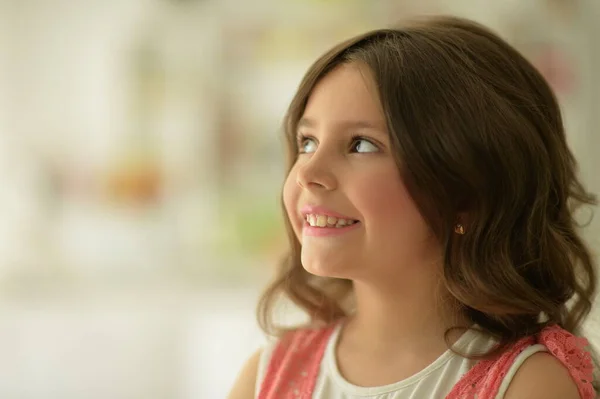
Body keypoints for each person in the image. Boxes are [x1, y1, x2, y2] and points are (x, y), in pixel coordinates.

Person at [227, 15, 598, 399]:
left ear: (465, 194)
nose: (308, 172)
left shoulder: (528, 385)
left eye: (361, 144)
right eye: (307, 142)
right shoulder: (268, 376)